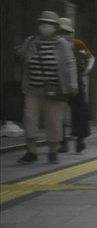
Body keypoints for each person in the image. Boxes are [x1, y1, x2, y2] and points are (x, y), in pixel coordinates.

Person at [15, 11, 78, 164]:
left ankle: (53, 152)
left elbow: (70, 64)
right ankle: (31, 151)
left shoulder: (62, 44)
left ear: (55, 27)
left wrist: (73, 84)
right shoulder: (30, 41)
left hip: (53, 90)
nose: (45, 26)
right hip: (32, 88)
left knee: (53, 121)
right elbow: (21, 57)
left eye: (49, 24)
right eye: (43, 23)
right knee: (29, 117)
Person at [57, 18, 95, 153]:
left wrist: (86, 72)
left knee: (80, 109)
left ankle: (80, 139)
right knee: (58, 110)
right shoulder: (53, 44)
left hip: (76, 79)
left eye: (66, 31)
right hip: (57, 80)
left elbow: (90, 58)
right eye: (60, 31)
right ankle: (61, 142)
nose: (63, 34)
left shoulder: (77, 44)